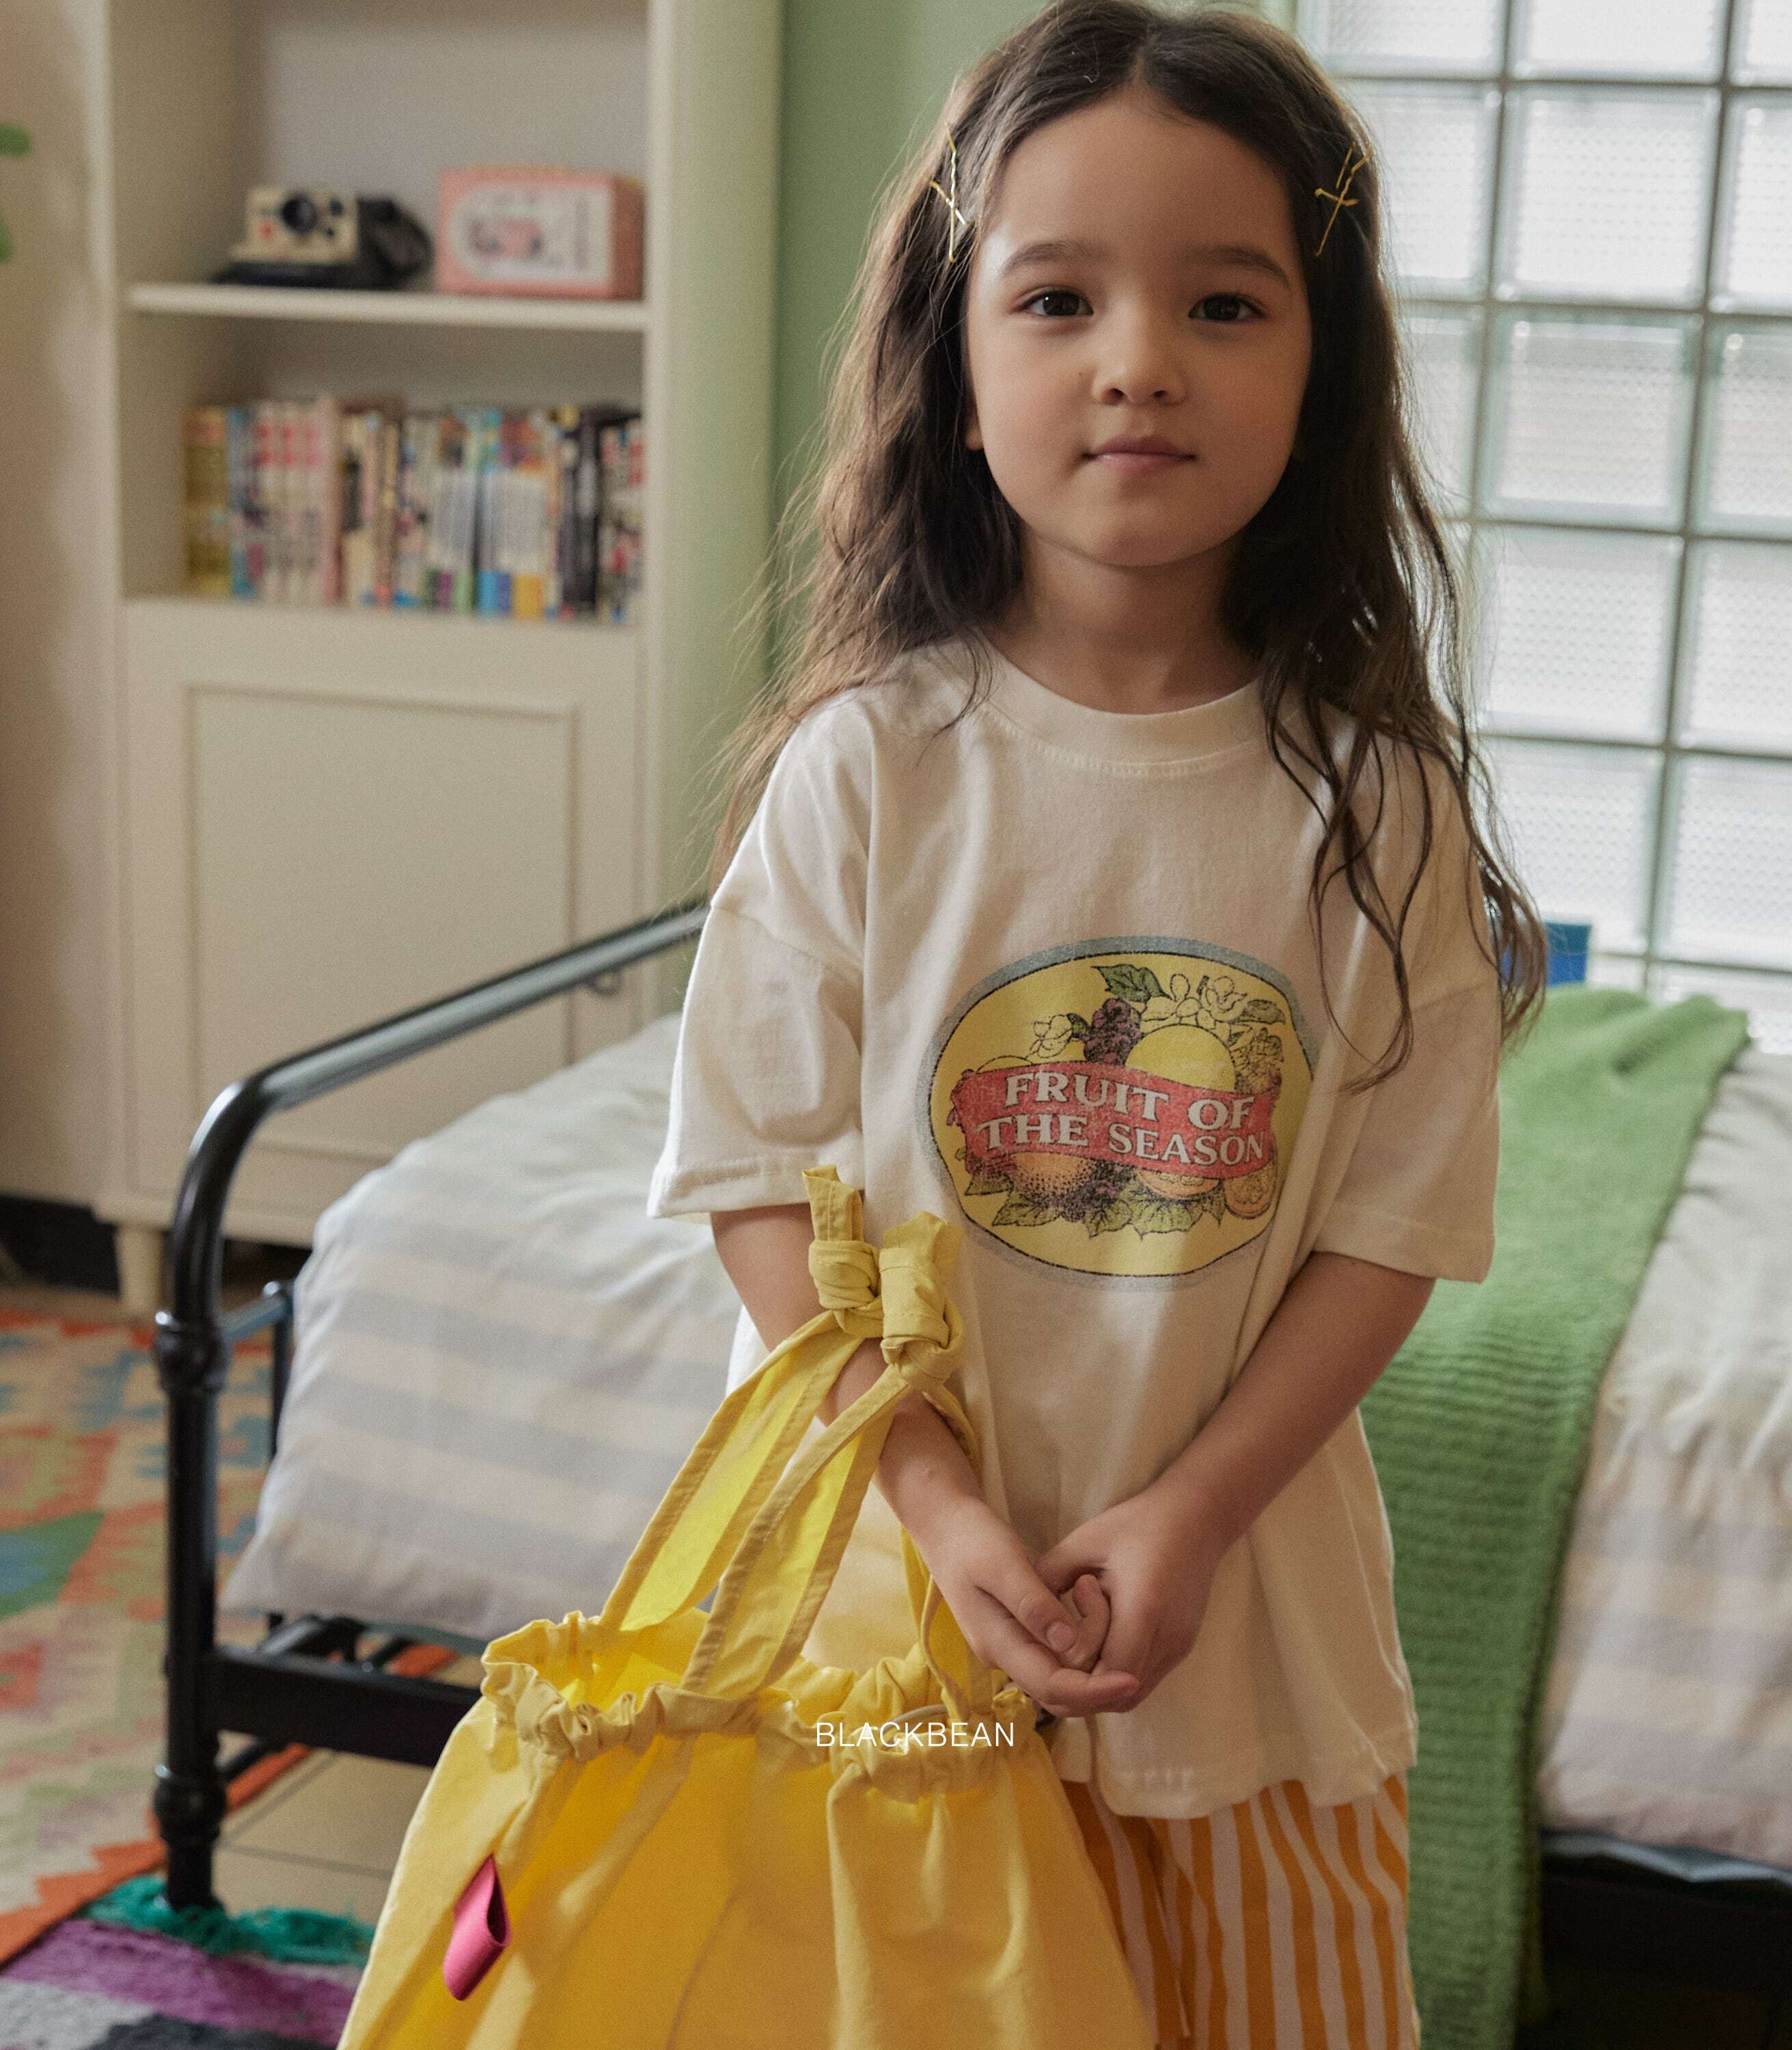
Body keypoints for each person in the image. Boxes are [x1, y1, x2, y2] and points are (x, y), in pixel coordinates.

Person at [647, 3, 1548, 2044]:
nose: (1139, 359)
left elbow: (1390, 1230)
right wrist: (942, 1502)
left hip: (1254, 1656)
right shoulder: (869, 771)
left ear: (1321, 374)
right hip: (892, 1629)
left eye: (1224, 302)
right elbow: (756, 1187)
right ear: (956, 372)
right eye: (1058, 299)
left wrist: (1193, 1511)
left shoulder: (1378, 808)